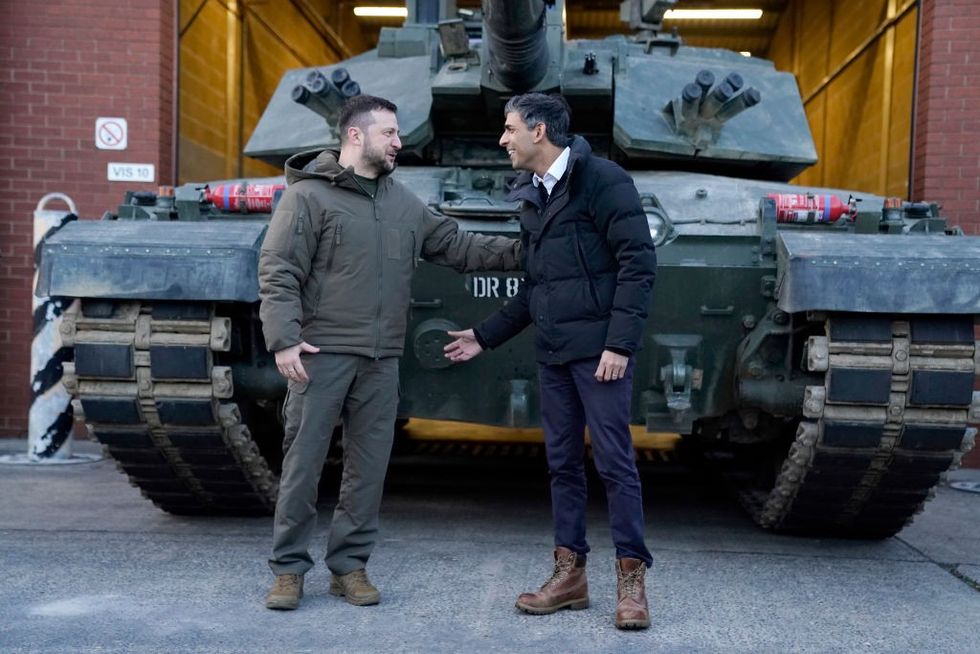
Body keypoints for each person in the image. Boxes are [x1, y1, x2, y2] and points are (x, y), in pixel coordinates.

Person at [258, 94, 521, 611]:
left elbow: (462, 247)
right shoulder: (308, 198)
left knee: (368, 467)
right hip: (321, 353)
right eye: (390, 134)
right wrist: (284, 338)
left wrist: (532, 250)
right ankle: (288, 570)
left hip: (381, 360)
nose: (400, 142)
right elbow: (279, 268)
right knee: (303, 466)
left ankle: (350, 567)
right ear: (356, 136)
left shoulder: (404, 204)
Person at [443, 93, 657, 630]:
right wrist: (484, 336)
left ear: (539, 131)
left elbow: (639, 264)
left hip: (601, 354)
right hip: (556, 355)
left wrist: (619, 344)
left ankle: (632, 582)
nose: (502, 139)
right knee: (562, 464)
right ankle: (570, 575)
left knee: (615, 463)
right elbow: (537, 287)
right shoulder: (533, 196)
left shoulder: (603, 180)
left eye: (510, 128)